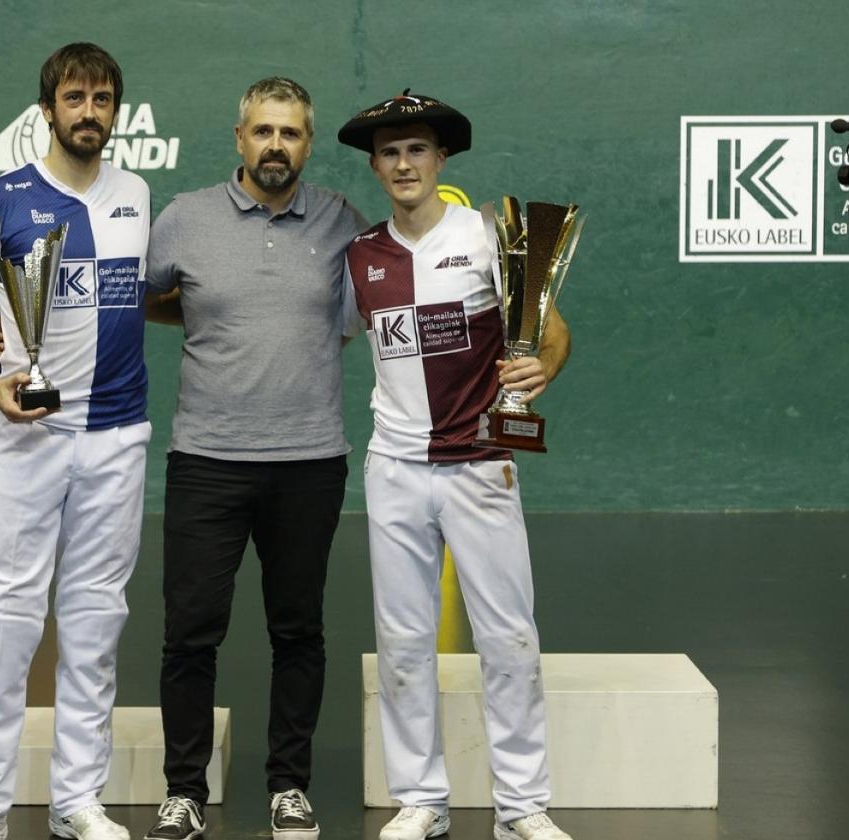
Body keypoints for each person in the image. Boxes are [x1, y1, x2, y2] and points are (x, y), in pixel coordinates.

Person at [0, 42, 152, 840]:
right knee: (6, 619)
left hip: (119, 436)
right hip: (27, 438)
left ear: (114, 112)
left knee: (95, 620)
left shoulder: (137, 195)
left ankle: (77, 801)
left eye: (101, 99)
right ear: (47, 110)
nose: (88, 112)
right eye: (74, 97)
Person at [336, 92, 574, 840]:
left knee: (508, 637)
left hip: (481, 466)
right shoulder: (361, 256)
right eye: (390, 153)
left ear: (441, 161)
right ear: (375, 167)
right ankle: (421, 800)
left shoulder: (488, 237)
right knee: (403, 640)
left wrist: (542, 371)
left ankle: (523, 806)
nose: (403, 164)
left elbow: (552, 334)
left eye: (417, 150)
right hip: (395, 469)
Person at [140, 77, 366, 840]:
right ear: (239, 138)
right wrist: (210, 318)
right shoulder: (185, 219)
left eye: (292, 133)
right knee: (190, 632)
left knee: (297, 629)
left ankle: (289, 787)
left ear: (307, 141)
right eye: (263, 131)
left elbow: (353, 317)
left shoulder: (341, 221)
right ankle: (183, 792)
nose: (276, 145)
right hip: (206, 459)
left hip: (309, 461)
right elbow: (145, 295)